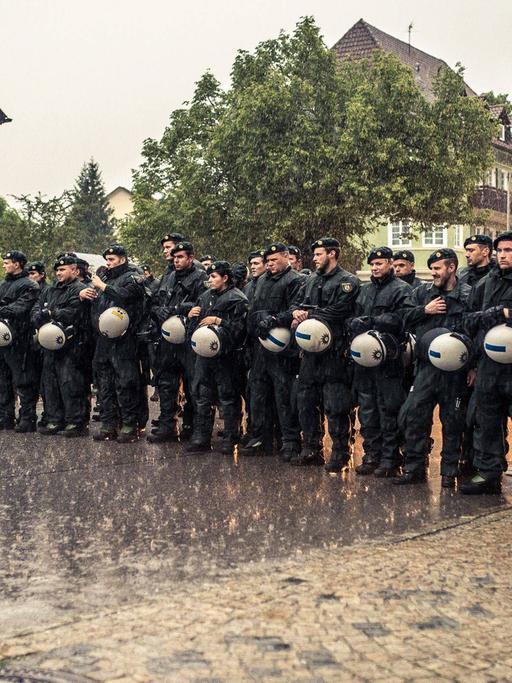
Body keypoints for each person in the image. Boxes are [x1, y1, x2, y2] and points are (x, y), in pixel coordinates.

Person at [395, 249, 472, 487]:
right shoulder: (422, 293)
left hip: (455, 372)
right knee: (414, 417)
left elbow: (476, 330)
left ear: (451, 268)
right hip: (426, 369)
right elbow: (402, 317)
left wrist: (474, 367)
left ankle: (449, 472)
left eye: (438, 268)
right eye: (432, 269)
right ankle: (414, 468)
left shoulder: (468, 294)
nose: (433, 273)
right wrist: (424, 310)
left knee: (453, 422)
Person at [292, 238, 360, 469]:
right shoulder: (311, 280)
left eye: (319, 254)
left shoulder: (347, 281)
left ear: (332, 254)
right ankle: (312, 448)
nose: (315, 258)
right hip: (310, 354)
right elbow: (296, 304)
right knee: (306, 400)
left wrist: (311, 315)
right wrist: (297, 313)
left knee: (336, 404)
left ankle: (341, 453)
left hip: (335, 352)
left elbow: (341, 310)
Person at [349, 247, 413, 477]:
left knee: (389, 409)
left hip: (390, 360)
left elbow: (401, 319)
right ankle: (371, 455)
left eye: (380, 264)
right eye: (373, 265)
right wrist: (354, 323)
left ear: (390, 264)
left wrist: (373, 321)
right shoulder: (364, 291)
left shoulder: (401, 290)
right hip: (364, 361)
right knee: (367, 410)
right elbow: (353, 316)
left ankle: (390, 458)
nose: (375, 268)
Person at [459, 231, 512, 494]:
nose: (503, 255)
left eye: (509, 250)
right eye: (500, 250)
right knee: (486, 418)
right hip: (490, 364)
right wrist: (495, 314)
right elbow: (468, 320)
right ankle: (489, 473)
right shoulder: (486, 283)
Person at [241, 243, 303, 459]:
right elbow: (253, 310)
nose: (270, 265)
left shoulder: (294, 280)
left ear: (286, 257)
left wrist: (276, 319)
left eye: (274, 260)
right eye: (267, 261)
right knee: (258, 394)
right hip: (259, 346)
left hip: (282, 349)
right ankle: (261, 438)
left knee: (283, 395)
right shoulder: (261, 280)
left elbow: (296, 308)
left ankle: (290, 441)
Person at [187, 261, 249, 454]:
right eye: (209, 276)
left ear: (225, 278)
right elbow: (193, 326)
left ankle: (230, 438)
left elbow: (242, 330)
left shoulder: (237, 299)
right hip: (204, 357)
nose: (210, 280)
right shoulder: (204, 297)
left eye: (214, 277)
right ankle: (201, 437)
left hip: (226, 357)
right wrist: (191, 316)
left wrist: (220, 321)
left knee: (228, 397)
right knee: (202, 396)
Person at [86, 244, 147, 443]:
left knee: (126, 382)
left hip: (124, 339)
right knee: (105, 384)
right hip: (103, 340)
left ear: (122, 259)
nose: (108, 263)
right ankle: (108, 424)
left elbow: (125, 296)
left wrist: (103, 287)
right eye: (107, 260)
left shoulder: (132, 277)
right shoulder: (106, 277)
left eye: (112, 259)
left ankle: (130, 424)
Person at [150, 240, 207, 442]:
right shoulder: (169, 276)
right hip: (167, 339)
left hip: (188, 338)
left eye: (181, 257)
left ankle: (192, 427)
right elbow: (156, 301)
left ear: (191, 258)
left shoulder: (201, 277)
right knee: (166, 383)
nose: (176, 260)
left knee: (194, 385)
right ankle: (168, 425)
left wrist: (176, 310)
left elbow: (202, 303)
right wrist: (159, 310)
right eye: (174, 257)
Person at [32, 255, 89, 437]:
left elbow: (74, 313)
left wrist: (50, 312)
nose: (59, 273)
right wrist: (44, 314)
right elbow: (36, 311)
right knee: (50, 383)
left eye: (63, 269)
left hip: (72, 345)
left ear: (74, 270)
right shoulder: (49, 291)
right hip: (49, 345)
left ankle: (75, 422)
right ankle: (54, 419)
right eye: (57, 270)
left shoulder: (80, 289)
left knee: (70, 383)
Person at [0, 251, 40, 431]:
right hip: (2, 337)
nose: (4, 265)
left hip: (20, 338)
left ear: (17, 264)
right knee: (3, 379)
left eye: (7, 262)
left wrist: (3, 309)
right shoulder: (3, 284)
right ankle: (5, 416)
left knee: (24, 379)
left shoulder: (30, 285)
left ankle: (27, 417)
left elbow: (21, 308)